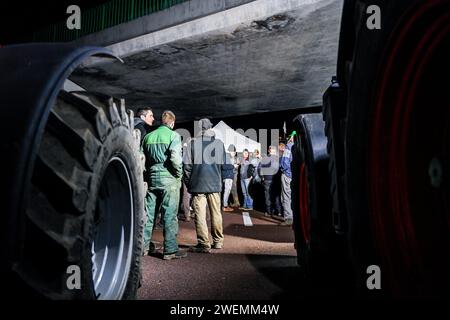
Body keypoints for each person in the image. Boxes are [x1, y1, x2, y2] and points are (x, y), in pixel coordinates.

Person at [142, 111, 186, 260]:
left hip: (152, 179)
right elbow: (175, 159)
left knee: (149, 215)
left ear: (161, 121)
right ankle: (170, 250)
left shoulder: (148, 137)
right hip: (169, 180)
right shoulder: (173, 136)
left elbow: (141, 158)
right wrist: (178, 174)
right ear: (172, 123)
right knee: (169, 215)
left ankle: (143, 247)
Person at [184, 118, 226, 253]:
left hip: (197, 184)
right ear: (210, 128)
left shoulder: (192, 144)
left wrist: (188, 182)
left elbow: (187, 166)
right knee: (216, 213)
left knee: (200, 214)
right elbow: (224, 164)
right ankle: (218, 241)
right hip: (214, 183)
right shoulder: (219, 144)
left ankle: (204, 243)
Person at [258, 146, 281, 217]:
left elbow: (259, 169)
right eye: (273, 151)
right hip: (274, 179)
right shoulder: (278, 159)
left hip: (269, 179)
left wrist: (262, 177)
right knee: (275, 195)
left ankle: (270, 211)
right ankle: (278, 211)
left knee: (268, 195)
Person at [280, 135, 294, 226]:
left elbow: (285, 163)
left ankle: (289, 218)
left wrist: (285, 171)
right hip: (296, 175)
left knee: (286, 196)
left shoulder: (288, 146)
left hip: (288, 175)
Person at [222, 144, 237, 212]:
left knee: (227, 191)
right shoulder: (226, 157)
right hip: (227, 176)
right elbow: (224, 167)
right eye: (232, 151)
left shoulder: (228, 157)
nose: (233, 153)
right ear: (229, 151)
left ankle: (225, 204)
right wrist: (233, 166)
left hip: (229, 176)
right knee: (227, 191)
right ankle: (225, 206)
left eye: (234, 152)